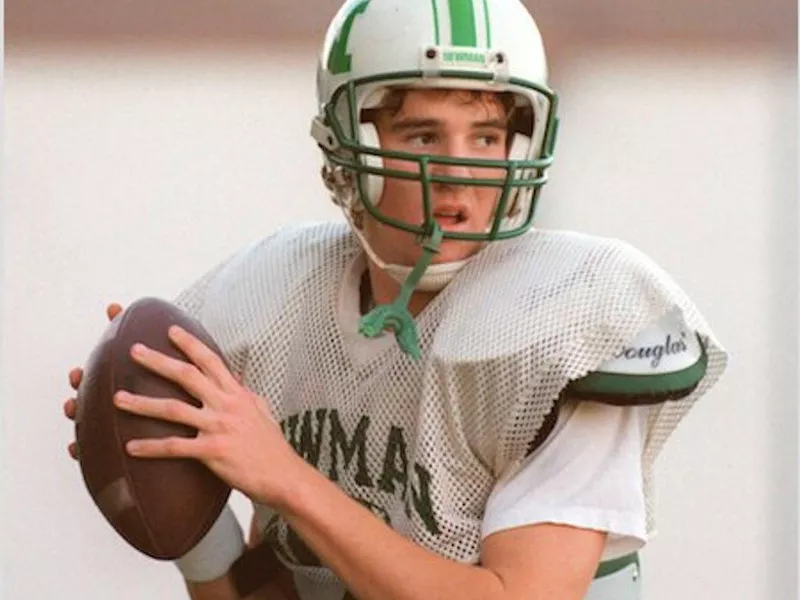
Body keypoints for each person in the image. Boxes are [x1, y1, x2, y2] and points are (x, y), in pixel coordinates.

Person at [63, 1, 728, 599]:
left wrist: (285, 476)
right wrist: (176, 488)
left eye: (486, 138)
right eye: (422, 137)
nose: (459, 175)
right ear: (348, 148)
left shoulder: (559, 318)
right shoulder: (285, 299)